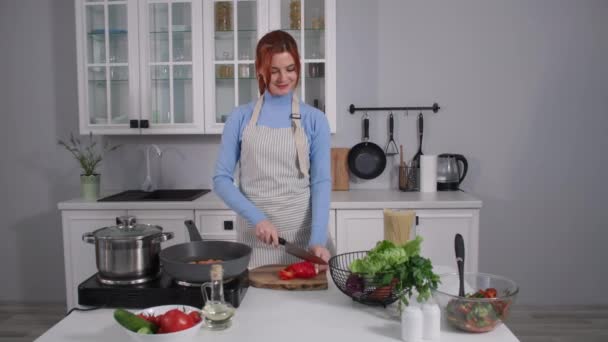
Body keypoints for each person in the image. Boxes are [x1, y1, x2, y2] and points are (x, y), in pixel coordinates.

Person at [213, 30, 331, 269]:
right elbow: (221, 180)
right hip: (257, 244)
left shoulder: (315, 119)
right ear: (260, 69)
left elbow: (321, 182)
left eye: (290, 69)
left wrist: (317, 241)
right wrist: (259, 219)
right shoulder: (240, 117)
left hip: (304, 242)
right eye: (274, 70)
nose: (283, 78)